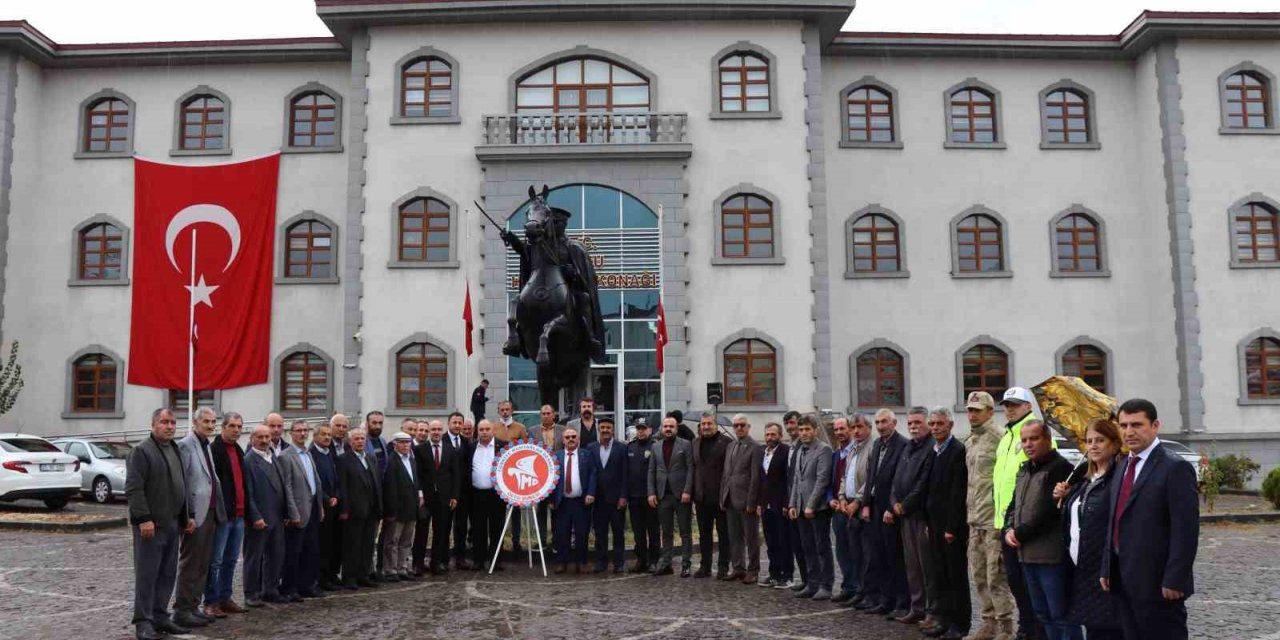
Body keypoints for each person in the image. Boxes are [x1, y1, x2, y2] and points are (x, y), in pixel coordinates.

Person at [1100, 399, 1198, 640]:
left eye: (1136, 424)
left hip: (1159, 583)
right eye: (1123, 425)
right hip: (1123, 578)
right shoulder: (1123, 465)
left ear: (1155, 426)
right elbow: (1115, 520)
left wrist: (1175, 579)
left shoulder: (1175, 468)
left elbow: (1185, 530)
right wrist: (1107, 566)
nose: (1129, 432)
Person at [1004, 420, 1078, 640]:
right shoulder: (1025, 469)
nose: (1028, 444)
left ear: (1047, 439)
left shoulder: (1061, 468)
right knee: (1042, 614)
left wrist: (1019, 533)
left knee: (1061, 614)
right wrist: (1009, 528)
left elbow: (1048, 513)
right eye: (1024, 440)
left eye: (1034, 438)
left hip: (1050, 555)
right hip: (1026, 554)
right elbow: (1013, 505)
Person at [126, 408, 192, 640]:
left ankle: (161, 616)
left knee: (167, 573)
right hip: (151, 526)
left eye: (173, 422)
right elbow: (134, 488)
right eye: (164, 422)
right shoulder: (141, 451)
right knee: (147, 574)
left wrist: (186, 516)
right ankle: (143, 622)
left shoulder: (175, 449)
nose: (169, 426)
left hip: (172, 523)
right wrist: (143, 518)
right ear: (153, 424)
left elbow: (181, 484)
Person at [1052, 419, 1122, 640]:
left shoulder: (1119, 479)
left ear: (1114, 444)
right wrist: (1065, 497)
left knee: (1108, 630)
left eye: (1100, 440)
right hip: (1080, 569)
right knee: (1091, 628)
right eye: (1089, 441)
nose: (1093, 446)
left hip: (1103, 570)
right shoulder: (1084, 479)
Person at [961, 391, 1016, 640]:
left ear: (990, 412)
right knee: (979, 575)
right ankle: (988, 623)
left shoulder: (1001, 438)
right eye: (970, 410)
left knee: (996, 576)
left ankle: (1006, 627)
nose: (972, 414)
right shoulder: (970, 441)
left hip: (994, 520)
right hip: (974, 519)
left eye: (977, 410)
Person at [994, 387, 1045, 640]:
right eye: (1006, 404)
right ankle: (1026, 627)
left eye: (1015, 404)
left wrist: (1019, 523)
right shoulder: (1007, 437)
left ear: (1028, 407)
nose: (1010, 408)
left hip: (1026, 525)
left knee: (1029, 584)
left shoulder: (1035, 432)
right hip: (1006, 521)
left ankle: (1035, 630)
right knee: (1015, 581)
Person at [170, 407, 225, 629]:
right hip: (195, 514)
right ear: (195, 423)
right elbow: (184, 483)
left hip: (210, 512)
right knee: (190, 562)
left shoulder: (205, 446)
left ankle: (194, 606)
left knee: (203, 563)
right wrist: (188, 515)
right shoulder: (186, 445)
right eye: (206, 422)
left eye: (213, 422)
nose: (211, 426)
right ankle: (182, 610)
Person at [924, 407, 971, 640]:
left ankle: (959, 623)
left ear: (950, 425)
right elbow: (930, 489)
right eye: (932, 424)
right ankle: (943, 619)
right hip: (934, 523)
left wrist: (953, 527)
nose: (935, 428)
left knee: (955, 576)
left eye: (939, 424)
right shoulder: (934, 451)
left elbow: (957, 492)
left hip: (951, 526)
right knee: (939, 574)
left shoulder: (957, 450)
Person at [860, 408, 909, 617]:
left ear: (894, 422)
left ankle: (901, 602)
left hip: (890, 509)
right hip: (874, 505)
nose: (880, 426)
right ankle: (885, 598)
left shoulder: (903, 445)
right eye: (878, 422)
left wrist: (891, 507)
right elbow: (871, 476)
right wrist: (865, 503)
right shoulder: (877, 444)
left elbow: (899, 479)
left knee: (894, 557)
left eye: (884, 422)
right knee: (878, 554)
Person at [890, 407, 936, 625]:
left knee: (927, 565)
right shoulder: (909, 447)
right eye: (910, 423)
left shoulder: (931, 447)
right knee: (912, 566)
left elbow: (923, 483)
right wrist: (894, 503)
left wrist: (905, 505)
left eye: (917, 422)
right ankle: (916, 607)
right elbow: (896, 478)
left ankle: (931, 610)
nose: (913, 427)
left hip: (920, 514)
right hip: (904, 515)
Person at [206, 412, 254, 617]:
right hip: (223, 516)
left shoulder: (239, 450)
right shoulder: (213, 450)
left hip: (239, 515)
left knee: (231, 560)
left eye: (239, 426)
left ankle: (225, 598)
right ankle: (211, 601)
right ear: (222, 427)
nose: (236, 430)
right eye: (232, 426)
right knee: (215, 561)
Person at [242, 424, 289, 606]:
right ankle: (250, 593)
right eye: (260, 437)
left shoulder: (274, 457)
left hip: (277, 516)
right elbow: (249, 493)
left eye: (267, 437)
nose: (264, 441)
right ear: (252, 438)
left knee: (275, 555)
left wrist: (286, 512)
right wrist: (255, 516)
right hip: (260, 518)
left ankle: (270, 589)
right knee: (254, 556)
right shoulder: (248, 461)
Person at [788, 415, 834, 600]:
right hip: (800, 507)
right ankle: (812, 582)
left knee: (821, 546)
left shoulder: (824, 450)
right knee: (807, 547)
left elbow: (822, 479)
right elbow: (797, 479)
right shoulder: (800, 450)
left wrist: (811, 505)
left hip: (817, 508)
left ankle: (826, 585)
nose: (804, 433)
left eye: (807, 429)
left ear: (815, 430)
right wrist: (792, 503)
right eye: (801, 430)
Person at [278, 420, 325, 600]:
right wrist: (292, 512)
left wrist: (320, 506)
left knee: (310, 550)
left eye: (305, 431)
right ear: (291, 433)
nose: (303, 434)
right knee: (294, 552)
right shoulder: (286, 456)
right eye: (299, 431)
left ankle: (306, 585)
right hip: (298, 510)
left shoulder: (308, 453)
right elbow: (287, 486)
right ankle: (290, 587)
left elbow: (315, 482)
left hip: (312, 507)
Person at [720, 413, 764, 584]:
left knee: (751, 537)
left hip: (746, 500)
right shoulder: (730, 446)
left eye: (742, 425)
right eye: (736, 425)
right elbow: (726, 474)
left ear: (748, 427)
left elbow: (755, 477)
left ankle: (753, 570)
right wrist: (723, 496)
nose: (739, 428)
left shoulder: (755, 447)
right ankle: (738, 567)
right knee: (735, 536)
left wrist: (752, 501)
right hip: (730, 497)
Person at [648, 416, 694, 577]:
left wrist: (688, 491)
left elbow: (690, 469)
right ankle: (666, 563)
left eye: (671, 426)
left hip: (681, 496)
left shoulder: (686, 445)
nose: (668, 429)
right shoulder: (656, 447)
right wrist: (651, 492)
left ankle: (686, 564)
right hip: (662, 496)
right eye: (665, 426)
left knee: (685, 532)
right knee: (666, 532)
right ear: (662, 428)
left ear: (676, 428)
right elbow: (652, 471)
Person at [337, 429, 381, 589]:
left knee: (368, 544)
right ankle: (350, 577)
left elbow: (376, 482)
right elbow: (343, 486)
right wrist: (344, 509)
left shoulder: (370, 458)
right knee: (352, 545)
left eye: (362, 439)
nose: (360, 441)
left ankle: (363, 574)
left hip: (370, 508)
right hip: (354, 510)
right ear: (350, 442)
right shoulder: (343, 460)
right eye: (356, 439)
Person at [415, 419, 460, 575]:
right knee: (422, 532)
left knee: (441, 532)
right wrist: (420, 493)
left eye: (438, 429)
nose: (435, 432)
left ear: (443, 431)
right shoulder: (420, 449)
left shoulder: (451, 450)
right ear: (429, 431)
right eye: (432, 429)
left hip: (444, 497)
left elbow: (456, 475)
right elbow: (418, 475)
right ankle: (418, 564)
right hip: (425, 499)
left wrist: (454, 496)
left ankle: (437, 563)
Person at [835, 414, 871, 606]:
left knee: (866, 554)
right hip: (846, 505)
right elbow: (844, 477)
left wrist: (857, 501)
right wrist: (841, 497)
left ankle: (866, 591)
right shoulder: (852, 450)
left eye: (860, 427)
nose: (856, 431)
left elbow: (870, 479)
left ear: (868, 428)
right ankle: (857, 589)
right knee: (853, 551)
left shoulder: (871, 447)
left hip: (861, 506)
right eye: (854, 427)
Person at [552, 428, 597, 573]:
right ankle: (562, 562)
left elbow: (592, 474)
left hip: (581, 501)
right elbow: (550, 479)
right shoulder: (555, 456)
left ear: (578, 439)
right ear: (563, 440)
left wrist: (591, 492)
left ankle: (581, 562)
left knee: (582, 533)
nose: (570, 439)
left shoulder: (587, 455)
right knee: (561, 534)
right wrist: (551, 499)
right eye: (567, 437)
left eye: (573, 436)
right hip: (562, 502)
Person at [692, 411, 730, 579]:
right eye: (703, 424)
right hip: (701, 497)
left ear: (716, 425)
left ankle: (723, 567)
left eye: (709, 424)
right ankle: (705, 566)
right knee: (704, 534)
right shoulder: (695, 443)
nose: (706, 427)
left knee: (723, 533)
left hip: (720, 497)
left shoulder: (727, 443)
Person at [381, 431, 423, 581]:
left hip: (411, 508)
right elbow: (390, 488)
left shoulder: (411, 460)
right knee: (392, 541)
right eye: (402, 442)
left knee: (406, 541)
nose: (405, 445)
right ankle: (390, 569)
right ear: (394, 444)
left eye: (408, 442)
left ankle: (402, 567)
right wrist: (391, 511)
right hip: (397, 510)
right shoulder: (391, 461)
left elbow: (414, 482)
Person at [588, 417, 628, 573]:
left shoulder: (622, 448)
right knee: (600, 532)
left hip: (616, 498)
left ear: (613, 430)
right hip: (598, 499)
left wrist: (623, 496)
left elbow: (625, 474)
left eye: (608, 427)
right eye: (602, 427)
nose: (605, 430)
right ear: (598, 429)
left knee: (618, 532)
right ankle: (601, 562)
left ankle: (619, 563)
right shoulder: (591, 448)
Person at [758, 422, 793, 588]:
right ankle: (774, 573)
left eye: (773, 434)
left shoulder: (786, 452)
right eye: (767, 435)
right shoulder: (762, 453)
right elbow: (761, 480)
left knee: (784, 541)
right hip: (766, 505)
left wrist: (787, 503)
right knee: (770, 541)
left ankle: (787, 575)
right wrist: (760, 503)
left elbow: (788, 480)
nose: (770, 438)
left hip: (781, 504)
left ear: (780, 435)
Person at [469, 420, 508, 570]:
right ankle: (478, 560)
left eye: (487, 429)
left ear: (493, 430)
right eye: (481, 429)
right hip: (477, 494)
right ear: (477, 431)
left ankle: (496, 561)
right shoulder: (471, 447)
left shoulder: (503, 446)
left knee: (497, 528)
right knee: (478, 529)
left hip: (496, 495)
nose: (484, 432)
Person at [826, 416, 858, 602]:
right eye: (836, 430)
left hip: (854, 508)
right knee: (842, 550)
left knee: (857, 549)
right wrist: (831, 499)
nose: (839, 432)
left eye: (842, 428)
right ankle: (848, 586)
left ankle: (860, 588)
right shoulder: (835, 455)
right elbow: (831, 483)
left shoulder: (857, 451)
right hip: (838, 509)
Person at [309, 423, 341, 590]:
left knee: (330, 543)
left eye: (329, 434)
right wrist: (327, 498)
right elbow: (314, 480)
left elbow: (335, 477)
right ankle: (319, 579)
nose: (327, 437)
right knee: (320, 544)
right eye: (323, 434)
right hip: (320, 505)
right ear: (315, 436)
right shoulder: (311, 454)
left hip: (332, 504)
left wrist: (336, 495)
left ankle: (328, 575)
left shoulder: (329, 453)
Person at [626, 418, 660, 573]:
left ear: (650, 430)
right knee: (638, 532)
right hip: (634, 497)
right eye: (638, 429)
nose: (640, 431)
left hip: (650, 497)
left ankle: (654, 560)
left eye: (643, 429)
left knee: (652, 530)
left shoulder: (654, 447)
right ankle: (641, 560)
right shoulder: (630, 447)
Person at [781, 410, 808, 590]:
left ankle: (813, 580)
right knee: (797, 544)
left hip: (804, 503)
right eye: (787, 424)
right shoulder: (791, 446)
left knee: (808, 546)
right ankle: (806, 580)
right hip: (793, 502)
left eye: (793, 423)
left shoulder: (804, 446)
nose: (790, 427)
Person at [445, 411, 474, 570]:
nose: (457, 425)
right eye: (454, 422)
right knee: (444, 527)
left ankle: (460, 558)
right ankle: (442, 559)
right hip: (445, 492)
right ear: (449, 424)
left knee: (461, 527)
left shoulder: (466, 442)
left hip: (463, 492)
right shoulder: (441, 440)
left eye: (459, 423)